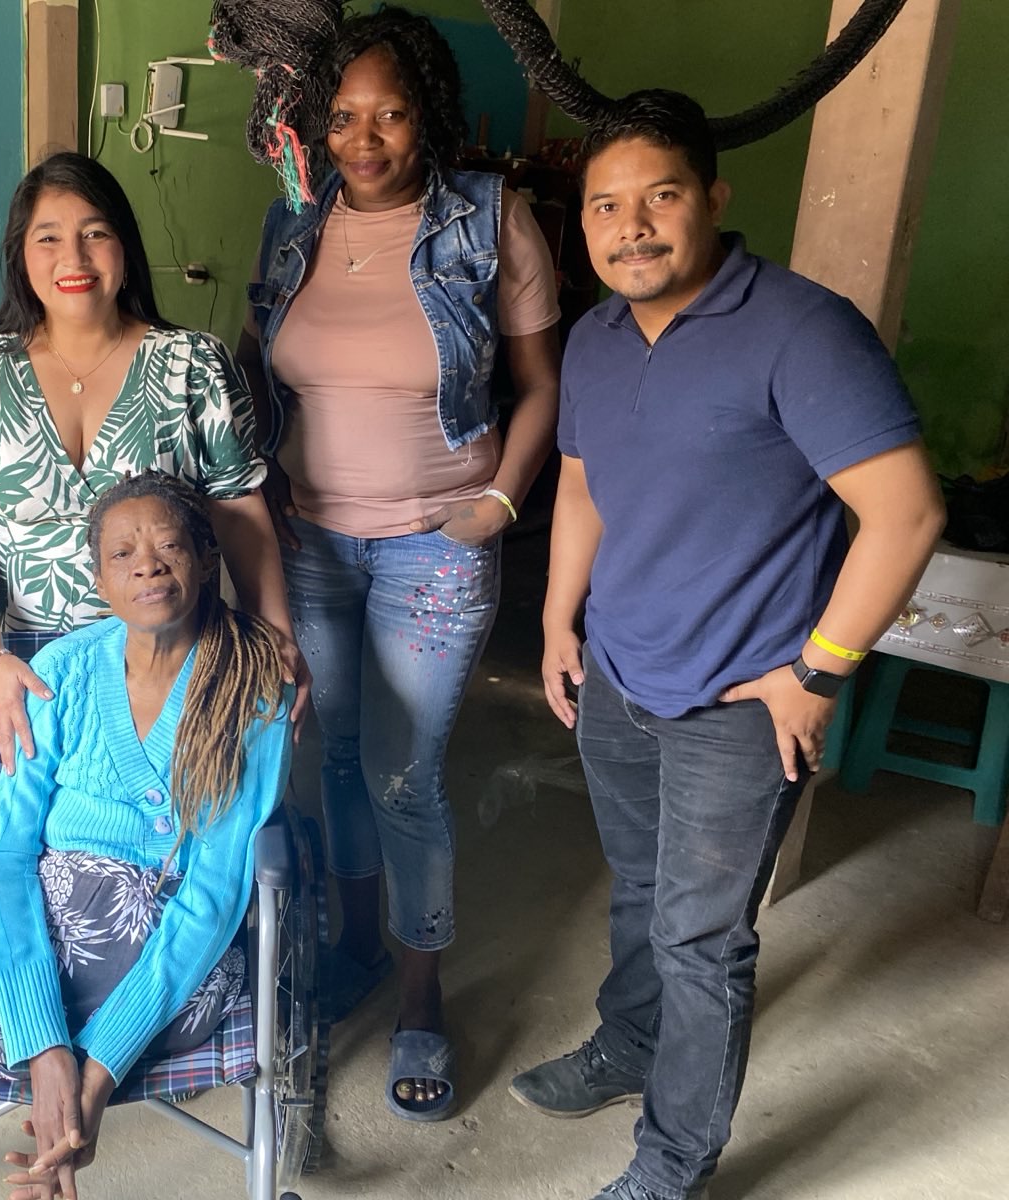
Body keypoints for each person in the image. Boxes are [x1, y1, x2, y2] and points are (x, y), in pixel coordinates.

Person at [509, 90, 945, 1200]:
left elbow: (906, 514)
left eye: (659, 196)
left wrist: (818, 673)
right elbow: (581, 486)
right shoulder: (597, 337)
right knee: (636, 890)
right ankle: (629, 1043)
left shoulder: (802, 331)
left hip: (743, 704)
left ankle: (672, 1165)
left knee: (701, 943)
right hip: (618, 673)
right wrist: (559, 619)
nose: (631, 227)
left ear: (712, 197)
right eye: (604, 205)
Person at [237, 6, 561, 1120]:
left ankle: (422, 997)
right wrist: (253, 484)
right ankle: (355, 951)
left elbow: (541, 385)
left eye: (389, 114)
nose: (362, 138)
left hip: (436, 547)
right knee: (332, 757)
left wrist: (499, 503)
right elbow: (256, 364)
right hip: (311, 540)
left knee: (400, 772)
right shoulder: (292, 220)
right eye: (342, 116)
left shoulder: (489, 217)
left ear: (429, 118)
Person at [0, 472, 293, 1200]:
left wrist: (97, 1074)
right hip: (54, 907)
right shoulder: (60, 672)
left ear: (205, 560)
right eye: (122, 554)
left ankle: (78, 1097)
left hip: (172, 927)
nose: (147, 565)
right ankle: (59, 1078)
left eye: (168, 546)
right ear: (99, 580)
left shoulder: (252, 687)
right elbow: (7, 855)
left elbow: (214, 890)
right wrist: (47, 1049)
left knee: (184, 1011)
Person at [0, 151, 305, 835]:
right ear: (21, 253)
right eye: (49, 237)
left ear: (125, 246)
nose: (75, 257)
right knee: (9, 850)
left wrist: (276, 639)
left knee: (161, 848)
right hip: (14, 658)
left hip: (166, 654)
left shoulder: (193, 365)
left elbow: (241, 512)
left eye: (95, 232)